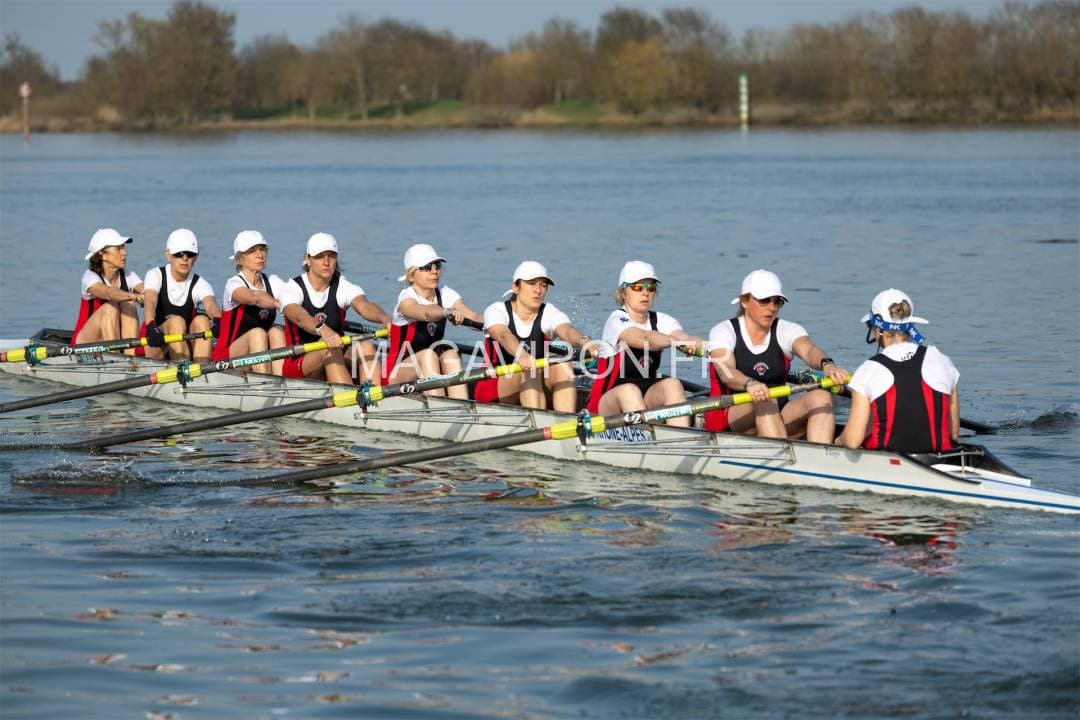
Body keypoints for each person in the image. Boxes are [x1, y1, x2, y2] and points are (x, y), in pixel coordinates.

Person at [704, 269, 848, 443]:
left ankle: (820, 454)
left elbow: (809, 350)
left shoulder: (786, 329)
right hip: (732, 417)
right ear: (744, 301)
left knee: (821, 397)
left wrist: (827, 365)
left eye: (777, 301)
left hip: (777, 415)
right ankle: (782, 453)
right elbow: (726, 372)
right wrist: (750, 383)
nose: (772, 308)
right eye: (764, 300)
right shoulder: (723, 331)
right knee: (766, 399)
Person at [836, 289, 959, 452]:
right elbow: (953, 434)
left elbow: (852, 441)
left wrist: (837, 441)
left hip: (887, 461)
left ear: (879, 329)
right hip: (940, 458)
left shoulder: (868, 370)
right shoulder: (942, 360)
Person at [585, 261, 702, 426]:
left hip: (645, 398)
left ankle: (679, 435)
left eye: (651, 287)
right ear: (623, 292)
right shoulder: (616, 320)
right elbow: (645, 339)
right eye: (638, 287)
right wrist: (673, 342)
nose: (645, 293)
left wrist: (694, 343)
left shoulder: (662, 320)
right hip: (606, 404)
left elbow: (685, 337)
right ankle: (648, 435)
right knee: (630, 390)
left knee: (673, 384)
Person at [475, 261, 593, 412]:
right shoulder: (496, 310)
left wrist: (584, 341)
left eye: (543, 285)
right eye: (531, 284)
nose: (538, 290)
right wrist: (521, 355)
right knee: (530, 369)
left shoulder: (549, 312)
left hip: (534, 383)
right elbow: (503, 335)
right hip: (494, 389)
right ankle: (539, 421)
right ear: (515, 287)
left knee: (563, 364)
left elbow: (567, 331)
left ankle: (567, 419)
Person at [279, 232, 391, 385]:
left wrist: (385, 318)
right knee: (328, 348)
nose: (326, 262)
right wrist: (322, 329)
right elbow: (299, 316)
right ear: (308, 260)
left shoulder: (342, 286)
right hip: (298, 363)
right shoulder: (292, 288)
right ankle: (349, 396)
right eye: (319, 256)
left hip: (336, 354)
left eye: (331, 256)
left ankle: (372, 393)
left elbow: (364, 306)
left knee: (365, 346)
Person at [383, 244, 484, 397]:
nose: (434, 271)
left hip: (430, 368)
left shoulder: (444, 292)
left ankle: (461, 404)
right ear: (411, 275)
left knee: (450, 353)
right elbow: (425, 313)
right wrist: (445, 312)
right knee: (427, 355)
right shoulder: (406, 299)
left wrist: (499, 323)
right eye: (426, 267)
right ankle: (439, 402)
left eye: (437, 265)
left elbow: (474, 317)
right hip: (396, 375)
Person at [211, 230, 287, 375]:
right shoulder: (233, 284)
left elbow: (294, 300)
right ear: (239, 259)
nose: (260, 255)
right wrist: (279, 305)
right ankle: (264, 382)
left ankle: (281, 380)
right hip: (226, 358)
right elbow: (254, 297)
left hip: (258, 353)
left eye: (262, 249)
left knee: (277, 331)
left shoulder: (272, 281)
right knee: (257, 333)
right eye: (252, 251)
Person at [142, 228, 219, 362]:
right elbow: (150, 302)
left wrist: (218, 320)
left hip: (183, 344)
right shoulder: (155, 275)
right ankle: (184, 367)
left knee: (202, 320)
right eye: (179, 254)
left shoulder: (200, 283)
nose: (185, 258)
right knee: (176, 322)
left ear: (196, 257)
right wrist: (150, 325)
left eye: (190, 254)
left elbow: (211, 305)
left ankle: (201, 368)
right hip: (155, 343)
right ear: (168, 255)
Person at [73, 228, 144, 349]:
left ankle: (130, 355)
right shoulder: (90, 277)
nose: (124, 252)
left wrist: (150, 296)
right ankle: (115, 356)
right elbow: (108, 293)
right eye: (118, 249)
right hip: (85, 343)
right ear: (102, 254)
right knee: (110, 307)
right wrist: (135, 296)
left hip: (113, 337)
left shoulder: (126, 273)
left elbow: (146, 290)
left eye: (123, 247)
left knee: (129, 305)